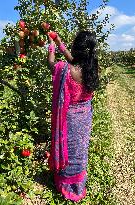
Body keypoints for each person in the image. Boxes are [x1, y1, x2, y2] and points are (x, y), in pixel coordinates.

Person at [47, 30, 99, 202]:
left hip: (69, 120)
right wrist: (60, 43)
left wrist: (52, 46)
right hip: (85, 118)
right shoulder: (91, 68)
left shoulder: (66, 70)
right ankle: (78, 185)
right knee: (80, 151)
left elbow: (51, 64)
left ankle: (66, 186)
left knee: (68, 151)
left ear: (77, 47)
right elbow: (72, 60)